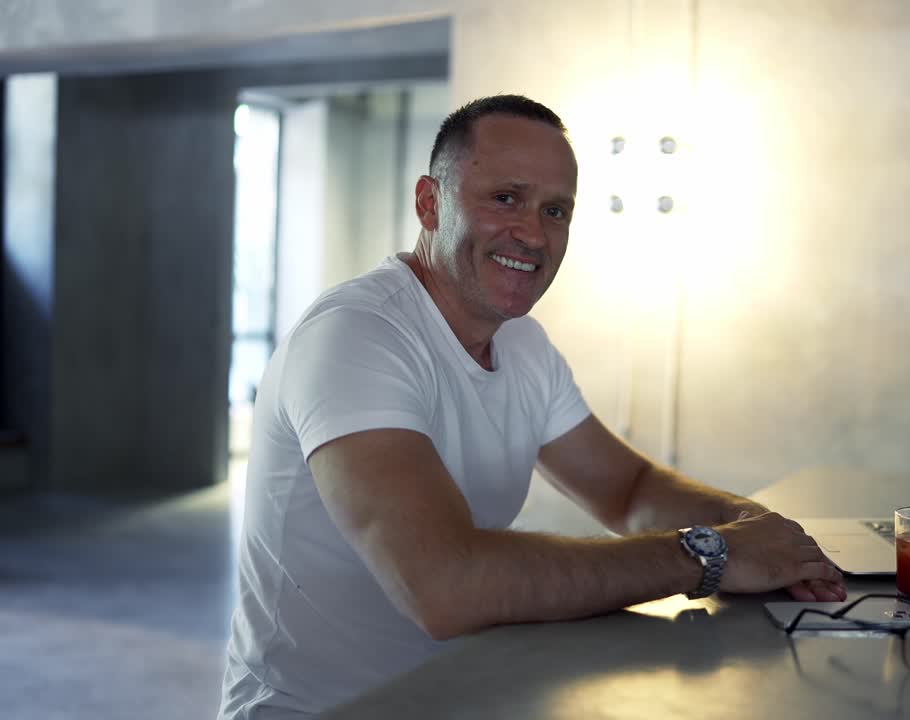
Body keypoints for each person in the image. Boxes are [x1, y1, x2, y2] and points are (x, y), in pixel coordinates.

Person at [218, 94, 844, 719]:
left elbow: (627, 490)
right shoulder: (357, 335)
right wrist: (710, 555)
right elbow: (443, 586)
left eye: (555, 210)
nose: (533, 233)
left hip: (462, 695)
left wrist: (763, 532)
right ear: (429, 204)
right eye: (505, 198)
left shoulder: (523, 345)